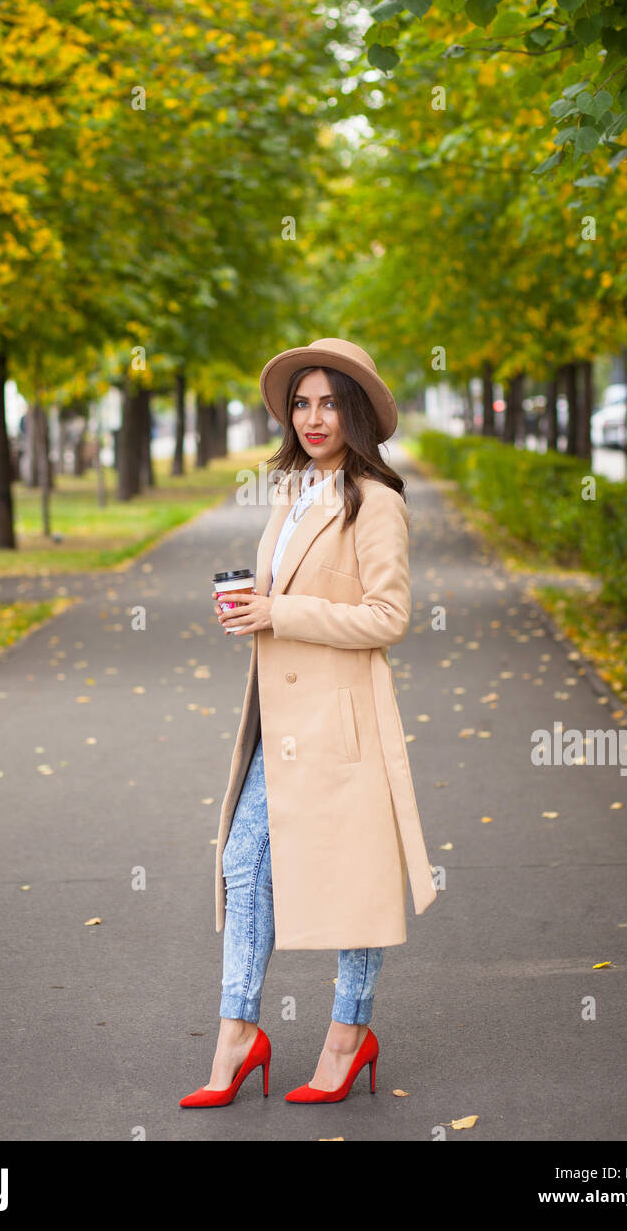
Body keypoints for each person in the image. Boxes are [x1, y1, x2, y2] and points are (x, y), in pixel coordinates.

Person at [179, 338, 436, 1108]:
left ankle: (348, 1036)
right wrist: (252, 608)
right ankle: (236, 1033)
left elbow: (389, 617)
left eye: (329, 402)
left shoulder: (377, 501)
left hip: (344, 721)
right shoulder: (292, 495)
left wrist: (280, 611)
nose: (314, 416)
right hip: (281, 719)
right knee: (245, 861)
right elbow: (288, 594)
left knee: (357, 878)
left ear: (354, 411)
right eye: (302, 403)